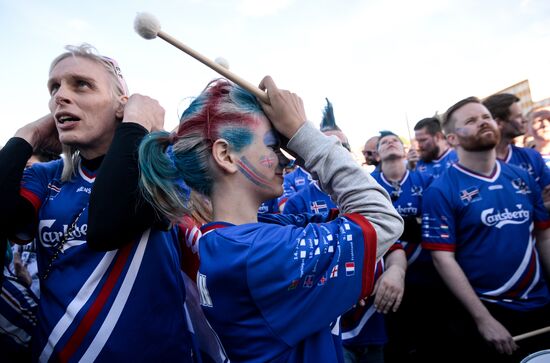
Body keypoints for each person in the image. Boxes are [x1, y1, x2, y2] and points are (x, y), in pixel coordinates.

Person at [132, 77, 403, 362]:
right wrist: (301, 133)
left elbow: (357, 217)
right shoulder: (253, 253)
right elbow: (382, 219)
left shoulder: (249, 236)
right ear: (225, 155)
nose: (286, 159)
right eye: (274, 146)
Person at [0, 44, 200, 362]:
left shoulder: (164, 163)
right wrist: (29, 134)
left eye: (81, 84)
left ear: (122, 104)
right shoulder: (47, 176)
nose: (59, 97)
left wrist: (134, 123)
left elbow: (106, 227)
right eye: (54, 87)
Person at [422, 96, 550, 362]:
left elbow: (544, 236)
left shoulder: (522, 176)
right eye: (470, 121)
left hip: (540, 302)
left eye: (486, 117)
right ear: (453, 139)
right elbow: (442, 258)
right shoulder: (440, 190)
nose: (482, 123)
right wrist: (483, 319)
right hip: (490, 311)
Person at [483, 93, 550, 192]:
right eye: (518, 116)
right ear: (498, 123)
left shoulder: (531, 156)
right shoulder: (478, 163)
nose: (524, 120)